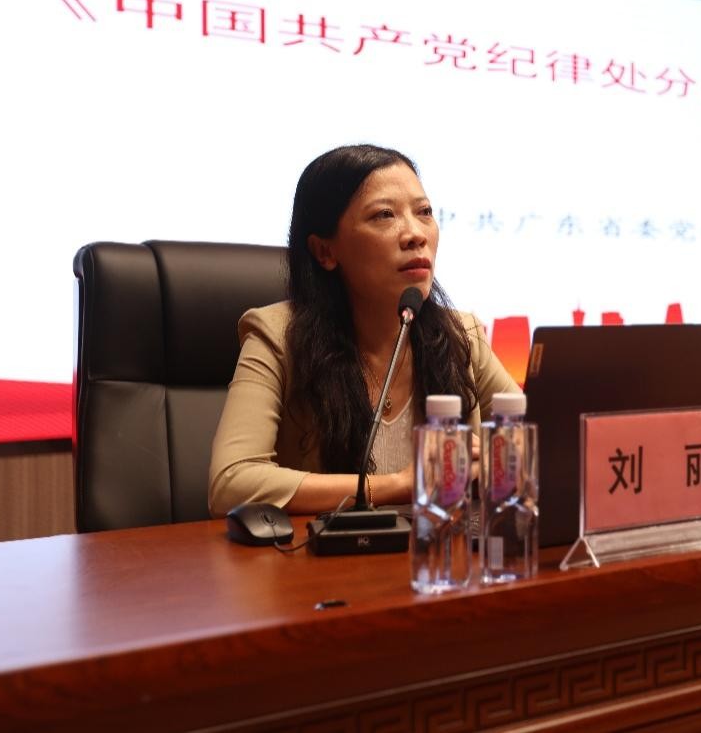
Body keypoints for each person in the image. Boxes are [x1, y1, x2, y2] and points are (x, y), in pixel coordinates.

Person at [208, 144, 520, 516]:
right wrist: (398, 485)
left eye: (424, 212)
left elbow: (541, 442)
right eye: (384, 215)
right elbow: (231, 483)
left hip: (439, 548)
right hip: (330, 553)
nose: (415, 234)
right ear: (325, 252)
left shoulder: (460, 334)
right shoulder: (276, 337)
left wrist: (500, 465)